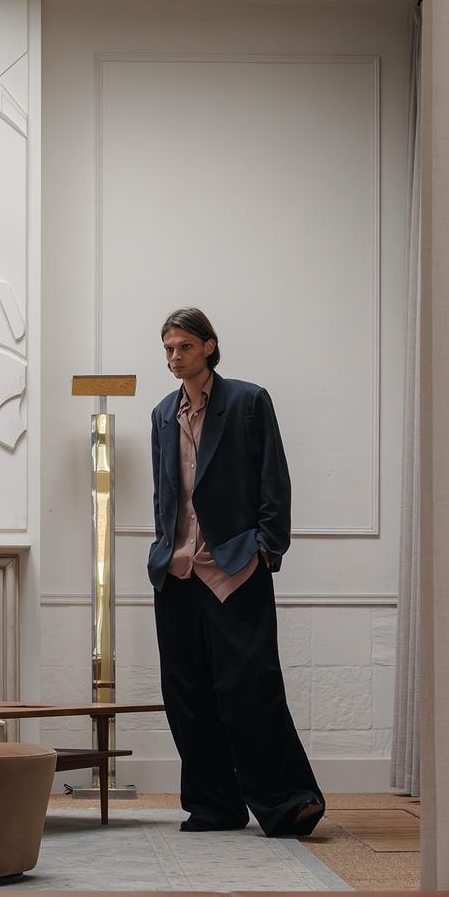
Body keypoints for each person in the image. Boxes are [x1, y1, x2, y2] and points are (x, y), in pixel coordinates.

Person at [147, 308, 325, 838]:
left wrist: (268, 546)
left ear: (209, 346)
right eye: (168, 349)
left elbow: (274, 477)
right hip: (177, 571)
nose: (175, 357)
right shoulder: (162, 414)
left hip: (236, 567)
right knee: (187, 695)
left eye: (184, 346)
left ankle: (289, 801)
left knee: (251, 687)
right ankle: (214, 805)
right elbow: (165, 492)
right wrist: (162, 547)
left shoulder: (248, 401)